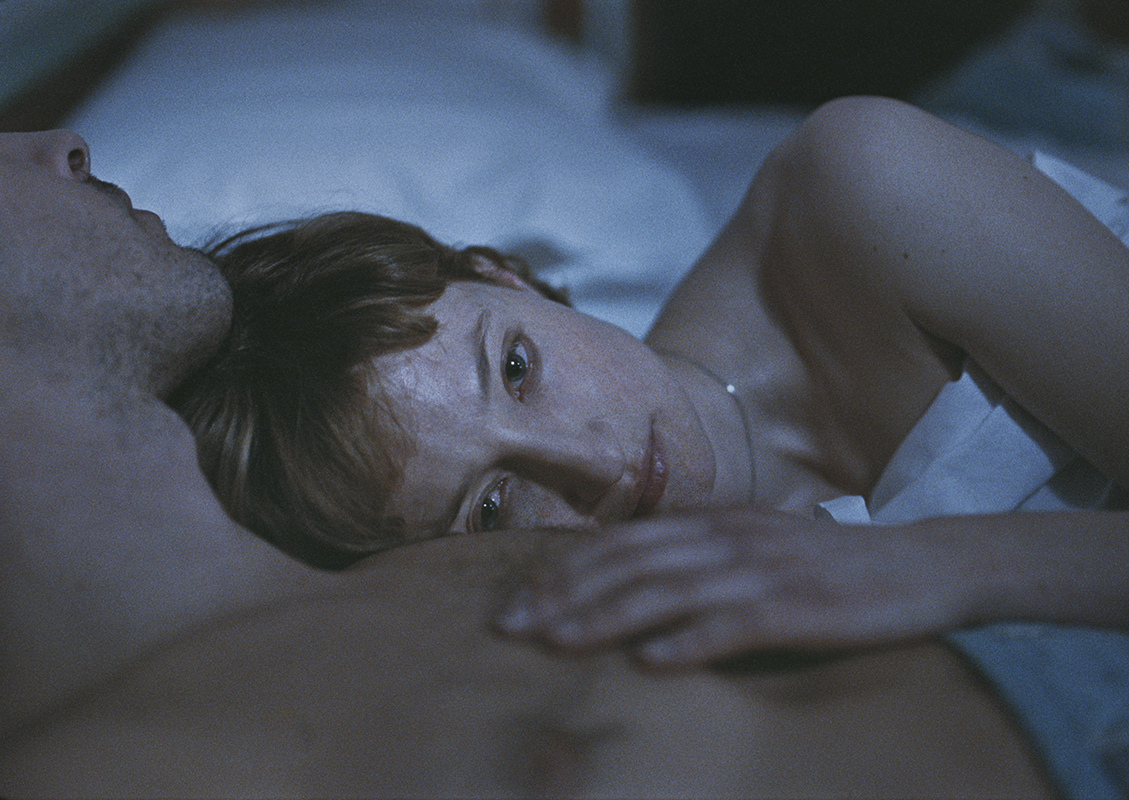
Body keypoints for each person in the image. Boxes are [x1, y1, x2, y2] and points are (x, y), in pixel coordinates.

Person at [0, 124, 1060, 798]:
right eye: (495, 507)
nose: (595, 464)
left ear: (506, 274)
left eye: (517, 366)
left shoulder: (865, 196)